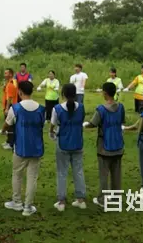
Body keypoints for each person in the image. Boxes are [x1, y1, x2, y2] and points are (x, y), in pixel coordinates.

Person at [2, 81, 45, 216]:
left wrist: (2, 130)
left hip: (21, 147)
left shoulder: (16, 108)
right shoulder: (41, 109)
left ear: (20, 92)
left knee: (17, 175)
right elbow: (41, 125)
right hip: (36, 147)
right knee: (32, 177)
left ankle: (17, 202)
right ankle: (28, 206)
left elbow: (7, 123)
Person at [84, 82, 125, 208]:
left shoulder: (101, 109)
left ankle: (102, 199)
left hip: (104, 146)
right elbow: (122, 121)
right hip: (118, 144)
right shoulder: (121, 107)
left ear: (105, 93)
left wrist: (85, 125)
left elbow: (93, 123)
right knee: (116, 174)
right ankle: (116, 197)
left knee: (104, 174)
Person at [49, 83, 87, 212]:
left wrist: (52, 133)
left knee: (62, 173)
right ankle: (81, 199)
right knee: (78, 171)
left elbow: (52, 125)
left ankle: (61, 201)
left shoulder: (57, 109)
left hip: (63, 143)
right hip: (77, 142)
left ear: (63, 94)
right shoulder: (81, 107)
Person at [1, 69, 18, 150]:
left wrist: (7, 108)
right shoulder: (8, 83)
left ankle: (11, 143)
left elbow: (10, 97)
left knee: (10, 125)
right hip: (7, 105)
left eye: (6, 73)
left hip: (10, 106)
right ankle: (8, 141)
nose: (4, 74)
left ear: (10, 74)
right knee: (8, 125)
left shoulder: (11, 83)